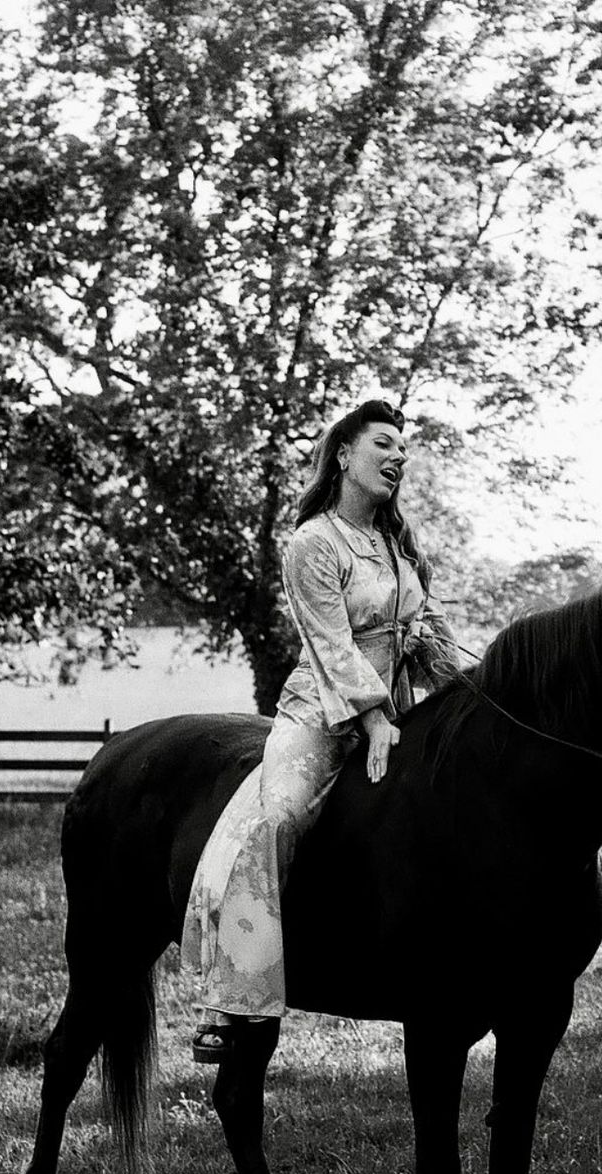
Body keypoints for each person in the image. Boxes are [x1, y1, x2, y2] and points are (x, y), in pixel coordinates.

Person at [184, 399, 460, 1061]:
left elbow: (424, 637)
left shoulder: (397, 545)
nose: (398, 457)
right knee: (276, 821)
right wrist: (372, 718)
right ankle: (235, 995)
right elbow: (332, 644)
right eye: (384, 444)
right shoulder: (314, 542)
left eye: (403, 449)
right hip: (322, 718)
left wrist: (470, 693)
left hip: (396, 715)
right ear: (343, 454)